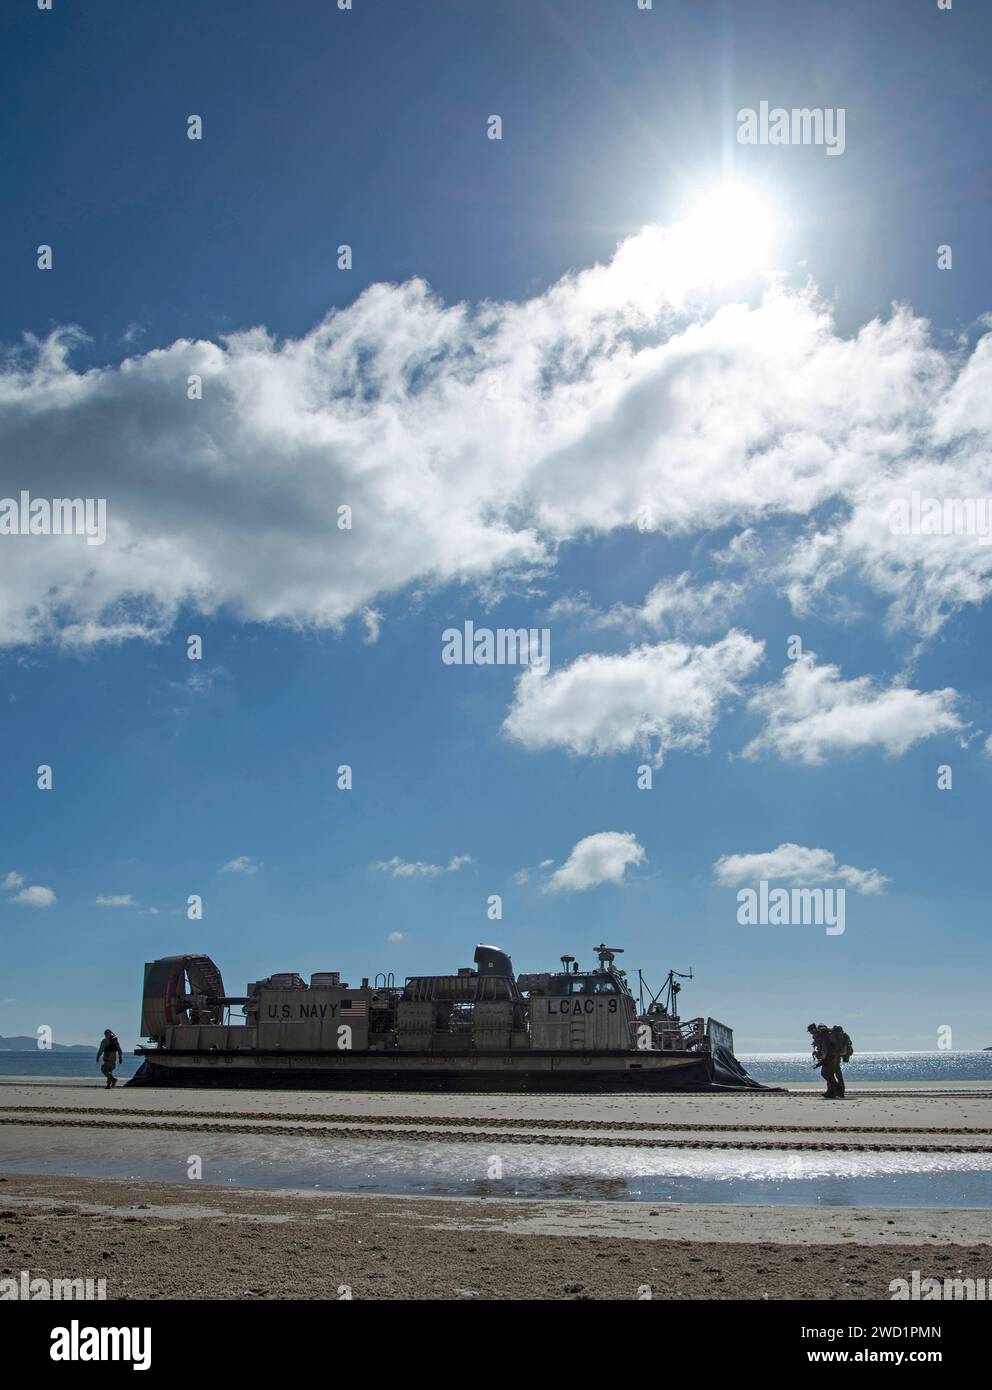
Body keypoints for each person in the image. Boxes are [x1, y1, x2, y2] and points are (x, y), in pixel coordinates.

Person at [807, 1021, 841, 1099]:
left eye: (810, 1031)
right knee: (828, 1074)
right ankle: (831, 1092)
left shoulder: (822, 1035)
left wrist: (822, 1057)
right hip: (830, 1056)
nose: (810, 1033)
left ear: (813, 1029)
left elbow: (825, 1047)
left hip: (830, 1057)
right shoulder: (820, 1035)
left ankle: (837, 1089)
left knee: (826, 1074)